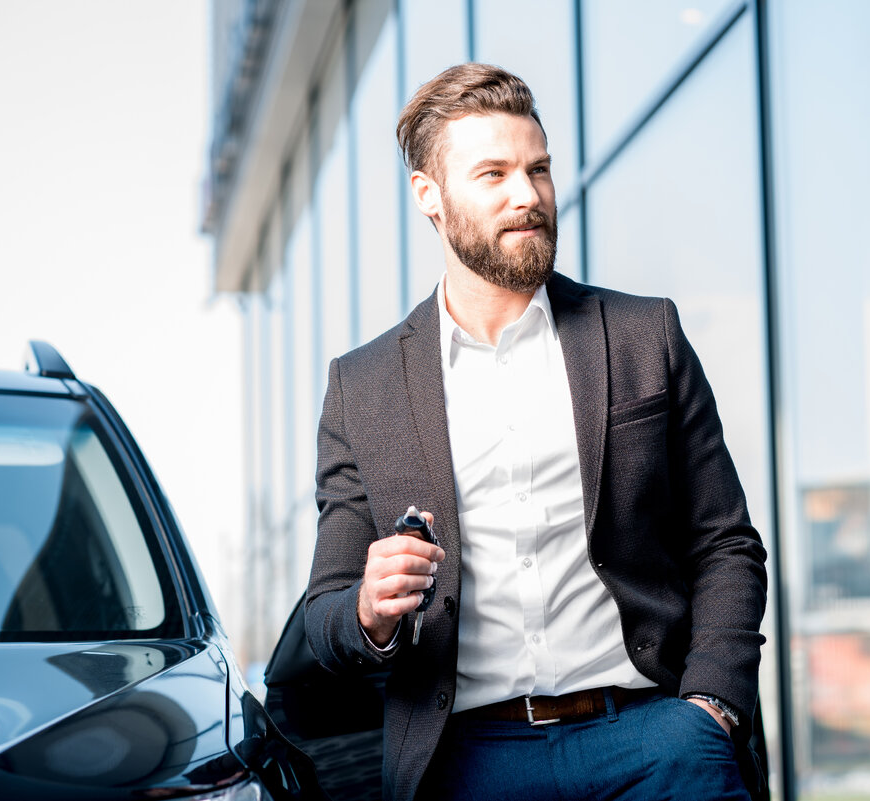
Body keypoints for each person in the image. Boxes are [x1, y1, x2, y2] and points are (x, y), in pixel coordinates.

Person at [305, 62, 768, 801]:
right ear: (430, 195)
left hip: (656, 739)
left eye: (539, 169)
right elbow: (322, 613)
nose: (528, 196)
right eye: (493, 174)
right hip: (470, 763)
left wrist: (710, 707)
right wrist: (368, 608)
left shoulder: (645, 336)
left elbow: (726, 543)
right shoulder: (362, 389)